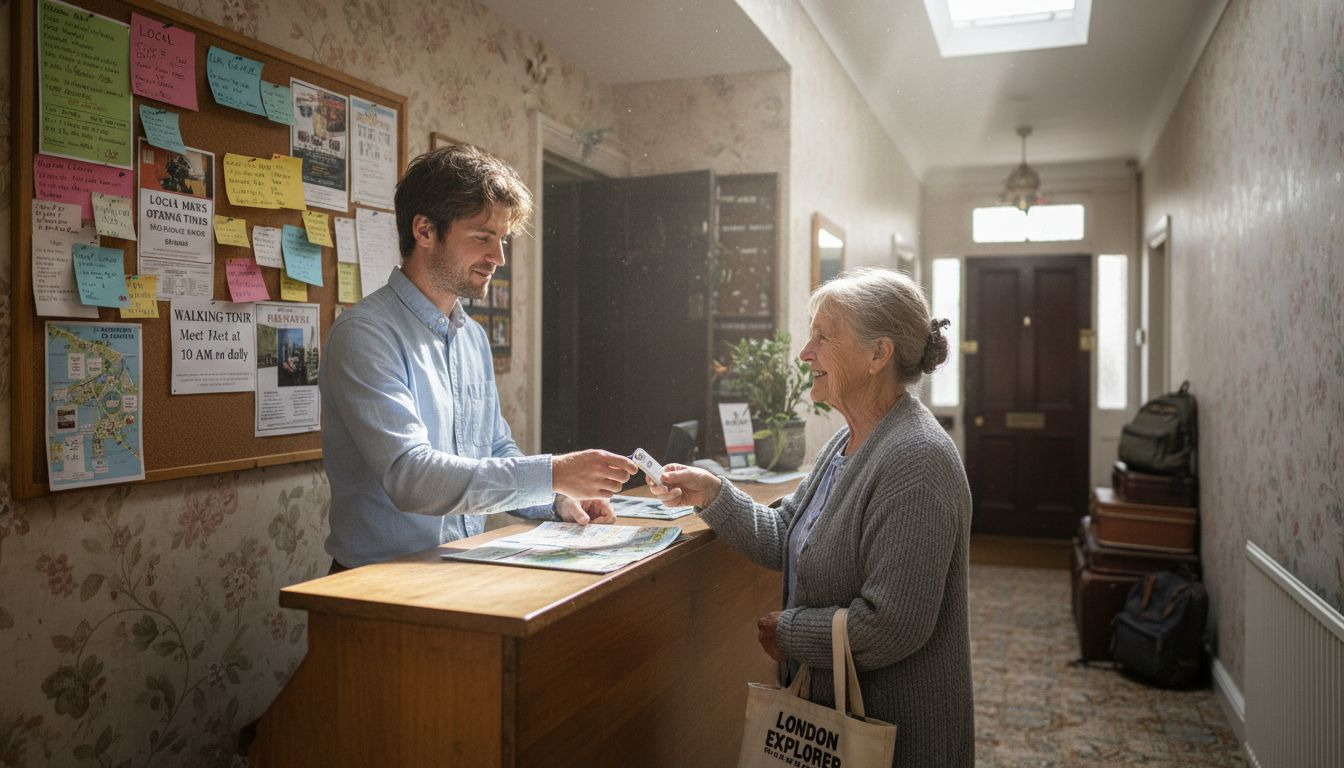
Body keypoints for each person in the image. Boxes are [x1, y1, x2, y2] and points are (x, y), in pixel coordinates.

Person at [651, 267, 973, 767]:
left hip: (897, 734)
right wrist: (713, 494)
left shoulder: (917, 459)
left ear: (877, 354)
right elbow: (785, 534)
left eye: (824, 337)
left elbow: (893, 625)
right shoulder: (849, 440)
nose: (806, 352)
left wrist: (791, 632)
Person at [321, 145, 637, 570]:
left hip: (463, 569)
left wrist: (558, 500)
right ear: (425, 231)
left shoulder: (471, 336)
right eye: (483, 238)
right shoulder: (365, 335)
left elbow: (494, 447)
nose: (498, 258)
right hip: (377, 587)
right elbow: (410, 477)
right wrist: (553, 474)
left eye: (502, 240)